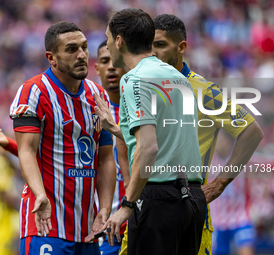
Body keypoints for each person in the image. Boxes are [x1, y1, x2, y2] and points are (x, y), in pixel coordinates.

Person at [87, 8, 207, 255]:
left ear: (119, 41)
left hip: (158, 199)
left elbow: (149, 148)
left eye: (108, 39)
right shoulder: (179, 78)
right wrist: (119, 130)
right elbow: (168, 140)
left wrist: (127, 205)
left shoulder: (134, 80)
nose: (108, 46)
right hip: (193, 199)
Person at [149, 14, 264, 255]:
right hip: (148, 210)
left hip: (187, 209)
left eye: (160, 44)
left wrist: (220, 183)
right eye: (148, 45)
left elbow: (251, 131)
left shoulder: (205, 92)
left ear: (181, 47)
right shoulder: (143, 89)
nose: (152, 52)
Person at [8, 22, 116, 255]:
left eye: (84, 47)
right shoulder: (34, 91)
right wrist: (40, 195)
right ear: (52, 57)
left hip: (87, 230)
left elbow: (106, 158)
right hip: (46, 224)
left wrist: (105, 207)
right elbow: (26, 151)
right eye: (71, 49)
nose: (81, 55)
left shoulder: (98, 95)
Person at [95, 40, 129, 254]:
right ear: (96, 68)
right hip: (105, 227)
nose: (110, 67)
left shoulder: (143, 109)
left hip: (140, 221)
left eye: (115, 60)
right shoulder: (88, 111)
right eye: (104, 61)